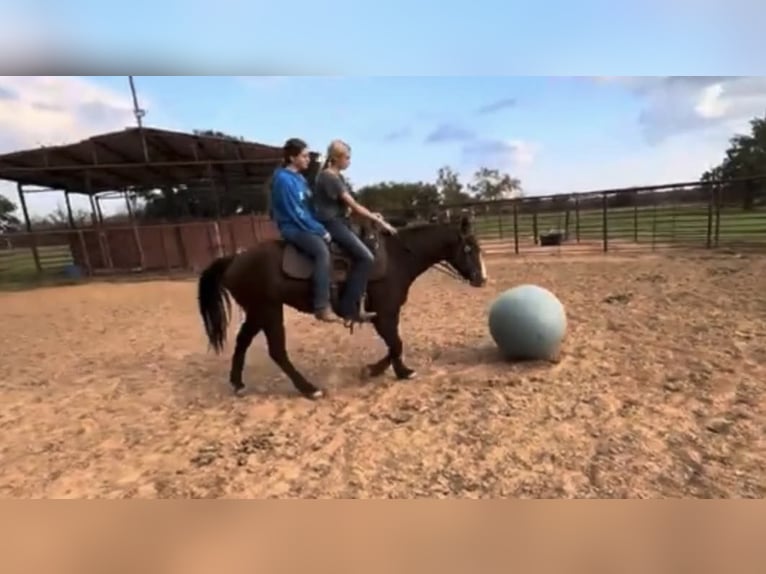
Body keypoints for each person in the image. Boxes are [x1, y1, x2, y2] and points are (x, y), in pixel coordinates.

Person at [312, 139, 398, 322]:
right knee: (366, 257)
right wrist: (380, 222)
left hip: (340, 220)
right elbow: (354, 205)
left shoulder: (337, 176)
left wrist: (371, 214)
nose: (349, 161)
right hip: (331, 223)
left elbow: (348, 207)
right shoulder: (330, 177)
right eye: (347, 158)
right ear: (336, 159)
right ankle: (348, 306)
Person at [269, 138, 337, 323]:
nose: (308, 159)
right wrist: (320, 230)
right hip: (293, 227)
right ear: (292, 158)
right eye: (304, 156)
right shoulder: (283, 180)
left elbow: (309, 206)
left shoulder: (300, 178)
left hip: (306, 224)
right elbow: (296, 213)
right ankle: (321, 305)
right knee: (321, 252)